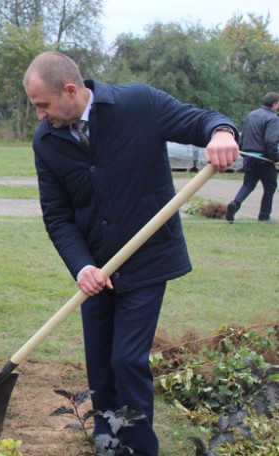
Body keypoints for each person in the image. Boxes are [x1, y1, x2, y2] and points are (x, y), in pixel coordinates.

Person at [22, 51, 239, 456]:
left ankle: (139, 450)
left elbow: (201, 120)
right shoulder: (46, 142)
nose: (39, 116)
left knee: (127, 360)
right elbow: (57, 216)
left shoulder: (138, 104)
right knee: (100, 370)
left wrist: (223, 132)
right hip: (96, 269)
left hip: (147, 260)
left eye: (43, 105)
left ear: (71, 91)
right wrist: (81, 265)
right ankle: (109, 445)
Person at [225, 92, 279, 223]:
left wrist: (243, 152)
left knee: (248, 184)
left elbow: (242, 136)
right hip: (264, 159)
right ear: (275, 104)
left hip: (249, 157)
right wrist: (276, 157)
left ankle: (235, 204)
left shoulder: (251, 115)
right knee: (270, 186)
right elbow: (271, 141)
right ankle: (264, 216)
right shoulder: (273, 118)